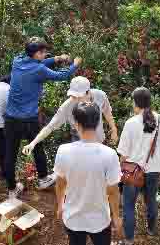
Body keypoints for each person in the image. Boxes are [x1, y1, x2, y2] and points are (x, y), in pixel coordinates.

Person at [5, 37, 81, 198]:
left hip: (11, 117)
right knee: (37, 145)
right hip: (28, 118)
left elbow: (38, 64)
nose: (46, 54)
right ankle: (43, 179)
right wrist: (74, 64)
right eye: (44, 52)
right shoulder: (39, 70)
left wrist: (56, 59)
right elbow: (62, 75)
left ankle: (12, 189)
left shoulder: (17, 61)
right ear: (37, 54)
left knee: (10, 153)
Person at [54, 102, 122, 245]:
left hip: (73, 218)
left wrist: (60, 205)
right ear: (98, 122)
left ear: (76, 124)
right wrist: (116, 216)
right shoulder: (109, 155)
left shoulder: (63, 151)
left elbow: (60, 184)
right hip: (100, 219)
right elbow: (113, 191)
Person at [117, 87, 160, 242]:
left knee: (128, 205)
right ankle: (152, 230)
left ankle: (129, 239)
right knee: (151, 200)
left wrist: (120, 169)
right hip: (154, 171)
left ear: (135, 103)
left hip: (133, 172)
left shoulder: (130, 123)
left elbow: (123, 154)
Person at [22, 76, 118, 156]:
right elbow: (50, 127)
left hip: (98, 139)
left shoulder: (100, 95)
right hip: (79, 140)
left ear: (88, 92)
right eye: (73, 96)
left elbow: (107, 112)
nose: (75, 99)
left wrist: (114, 129)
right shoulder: (67, 106)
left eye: (78, 96)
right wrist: (33, 143)